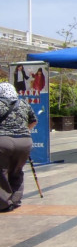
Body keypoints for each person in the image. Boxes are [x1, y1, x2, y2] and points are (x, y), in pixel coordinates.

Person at [0, 82, 37, 212]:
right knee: (17, 170)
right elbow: (33, 121)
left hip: (3, 141)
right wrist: (25, 131)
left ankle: (4, 203)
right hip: (24, 142)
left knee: (2, 171)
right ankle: (15, 200)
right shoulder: (23, 103)